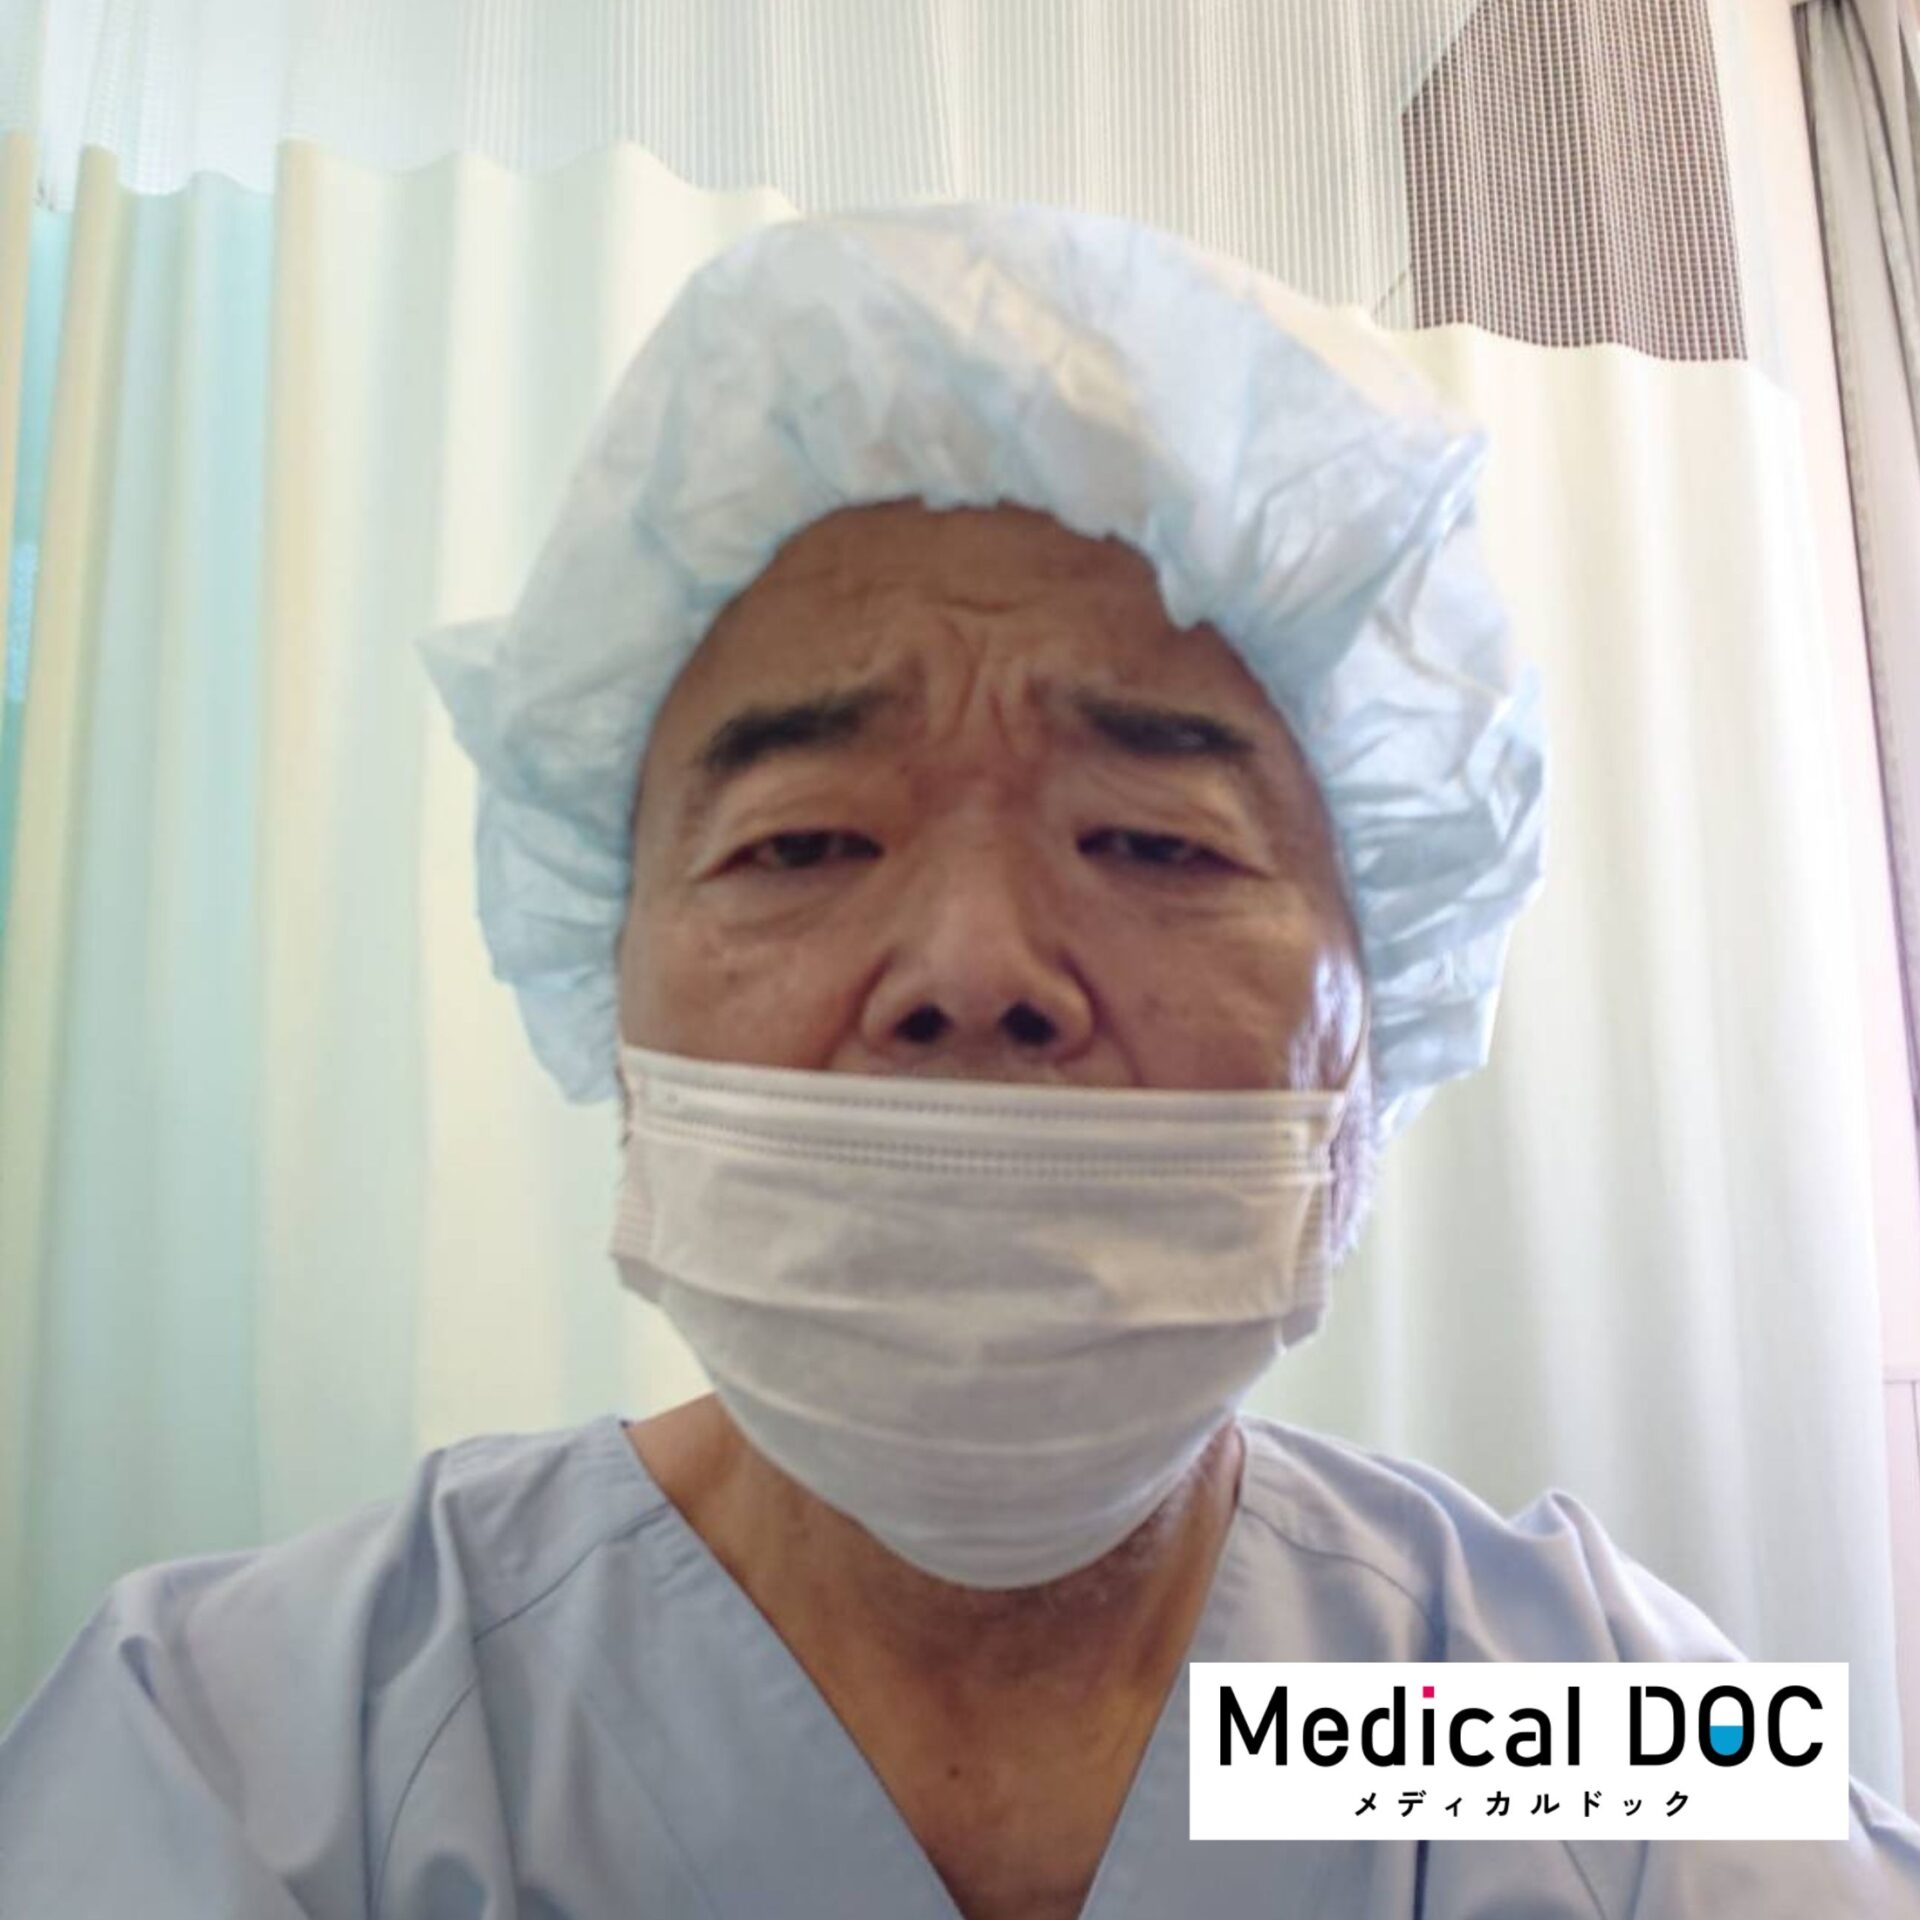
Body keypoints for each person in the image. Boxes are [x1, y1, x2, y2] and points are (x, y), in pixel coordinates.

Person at [2, 204, 1917, 1919]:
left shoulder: (1548, 1708)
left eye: (1158, 842)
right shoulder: (273, 1747)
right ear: (613, 978)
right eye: (804, 841)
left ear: (1376, 1002)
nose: (978, 970)